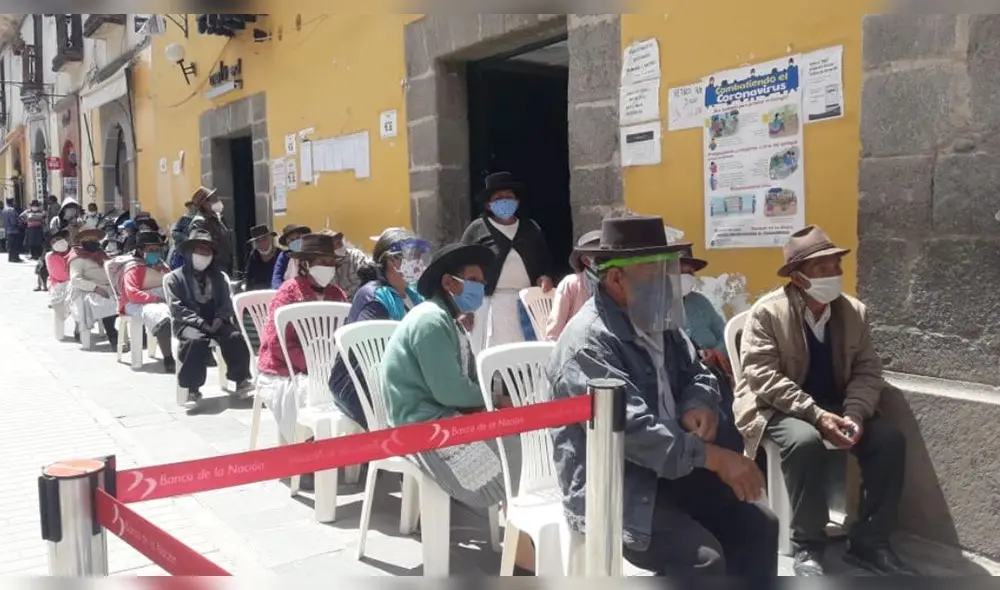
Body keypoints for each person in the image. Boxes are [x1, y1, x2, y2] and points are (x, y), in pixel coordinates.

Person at [546, 215, 777, 577]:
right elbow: (631, 432)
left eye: (666, 270)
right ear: (616, 278)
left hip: (676, 468)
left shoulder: (660, 323)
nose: (668, 283)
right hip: (618, 485)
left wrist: (697, 403)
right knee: (703, 561)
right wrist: (716, 458)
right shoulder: (587, 344)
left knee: (759, 526)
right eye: (654, 272)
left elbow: (698, 372)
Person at [734, 225, 915, 577]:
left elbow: (867, 370)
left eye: (836, 266)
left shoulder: (853, 312)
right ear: (798, 278)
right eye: (821, 268)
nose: (833, 274)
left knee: (889, 442)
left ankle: (870, 542)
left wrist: (856, 414)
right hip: (778, 406)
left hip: (837, 403)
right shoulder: (767, 313)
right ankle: (808, 544)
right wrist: (816, 416)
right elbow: (763, 377)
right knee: (804, 442)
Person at [381, 242, 509, 510]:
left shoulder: (449, 321)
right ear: (449, 283)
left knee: (519, 432)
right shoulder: (431, 321)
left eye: (482, 282)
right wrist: (495, 400)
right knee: (515, 448)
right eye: (473, 280)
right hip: (421, 425)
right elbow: (449, 391)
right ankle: (521, 535)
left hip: (443, 414)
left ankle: (518, 529)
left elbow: (467, 380)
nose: (480, 288)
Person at [256, 233, 349, 488]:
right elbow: (277, 344)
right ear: (305, 263)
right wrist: (314, 366)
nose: (327, 266)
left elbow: (343, 335)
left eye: (330, 261)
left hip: (326, 367)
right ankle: (307, 457)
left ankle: (350, 452)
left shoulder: (337, 295)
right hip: (285, 368)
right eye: (321, 260)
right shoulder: (288, 293)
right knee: (309, 391)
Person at [329, 228, 430, 428]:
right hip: (359, 385)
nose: (419, 263)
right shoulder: (373, 297)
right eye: (414, 257)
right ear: (393, 261)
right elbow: (372, 359)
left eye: (420, 257)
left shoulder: (414, 296)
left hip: (401, 380)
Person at [461, 172, 553, 353]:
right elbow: (463, 269)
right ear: (488, 204)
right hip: (488, 306)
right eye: (498, 198)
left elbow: (544, 263)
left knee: (526, 357)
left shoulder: (530, 229)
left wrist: (544, 278)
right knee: (493, 359)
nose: (504, 201)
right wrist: (464, 307)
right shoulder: (477, 230)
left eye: (509, 197)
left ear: (517, 201)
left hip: (526, 304)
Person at [165, 229, 254, 407]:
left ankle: (241, 381)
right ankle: (192, 390)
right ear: (190, 253)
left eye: (207, 252)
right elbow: (177, 309)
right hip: (190, 323)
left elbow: (226, 303)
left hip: (216, 320)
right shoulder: (174, 279)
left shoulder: (219, 277)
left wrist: (220, 318)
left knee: (235, 337)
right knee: (194, 341)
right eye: (199, 251)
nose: (203, 256)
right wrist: (201, 323)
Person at [119, 230, 175, 372]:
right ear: (140, 250)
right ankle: (168, 358)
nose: (155, 252)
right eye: (151, 249)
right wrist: (155, 299)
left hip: (161, 300)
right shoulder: (133, 267)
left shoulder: (161, 265)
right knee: (161, 317)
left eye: (157, 249)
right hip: (136, 303)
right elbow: (132, 293)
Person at [67, 228, 120, 349]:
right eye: (89, 239)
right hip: (87, 290)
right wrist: (95, 288)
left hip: (108, 287)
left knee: (128, 302)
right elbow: (75, 280)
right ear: (82, 241)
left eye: (95, 239)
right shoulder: (77, 258)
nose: (93, 241)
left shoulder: (102, 255)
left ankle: (138, 338)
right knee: (107, 303)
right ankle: (113, 336)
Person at [545, 230, 601, 341]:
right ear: (586, 260)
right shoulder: (571, 284)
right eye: (600, 256)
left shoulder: (615, 283)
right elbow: (554, 330)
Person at [188, 187, 233, 274]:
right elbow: (197, 248)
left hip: (225, 265)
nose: (217, 200)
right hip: (212, 269)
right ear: (205, 204)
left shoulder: (219, 219)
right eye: (214, 198)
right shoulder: (200, 223)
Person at [270, 224, 312, 289]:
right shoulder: (284, 256)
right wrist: (280, 290)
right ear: (287, 243)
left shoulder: (312, 254)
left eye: (298, 238)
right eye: (292, 240)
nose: (296, 241)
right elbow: (277, 277)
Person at [243, 224, 279, 291]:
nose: (262, 243)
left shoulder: (280, 254)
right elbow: (248, 277)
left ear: (270, 238)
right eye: (257, 241)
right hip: (257, 294)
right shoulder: (254, 254)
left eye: (264, 239)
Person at [45, 229, 72, 317]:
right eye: (54, 241)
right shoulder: (51, 256)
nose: (58, 242)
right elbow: (60, 276)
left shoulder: (74, 252)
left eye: (60, 239)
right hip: (59, 285)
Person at [168, 199, 198, 269]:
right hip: (184, 250)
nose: (191, 209)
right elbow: (175, 233)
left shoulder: (203, 219)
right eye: (189, 207)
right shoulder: (184, 219)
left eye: (192, 206)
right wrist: (185, 238)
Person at [2, 197, 23, 263]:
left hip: (7, 229)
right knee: (15, 244)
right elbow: (14, 220)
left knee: (10, 244)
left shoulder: (4, 210)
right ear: (12, 202)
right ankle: (15, 257)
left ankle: (10, 258)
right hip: (14, 229)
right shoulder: (12, 210)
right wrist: (19, 224)